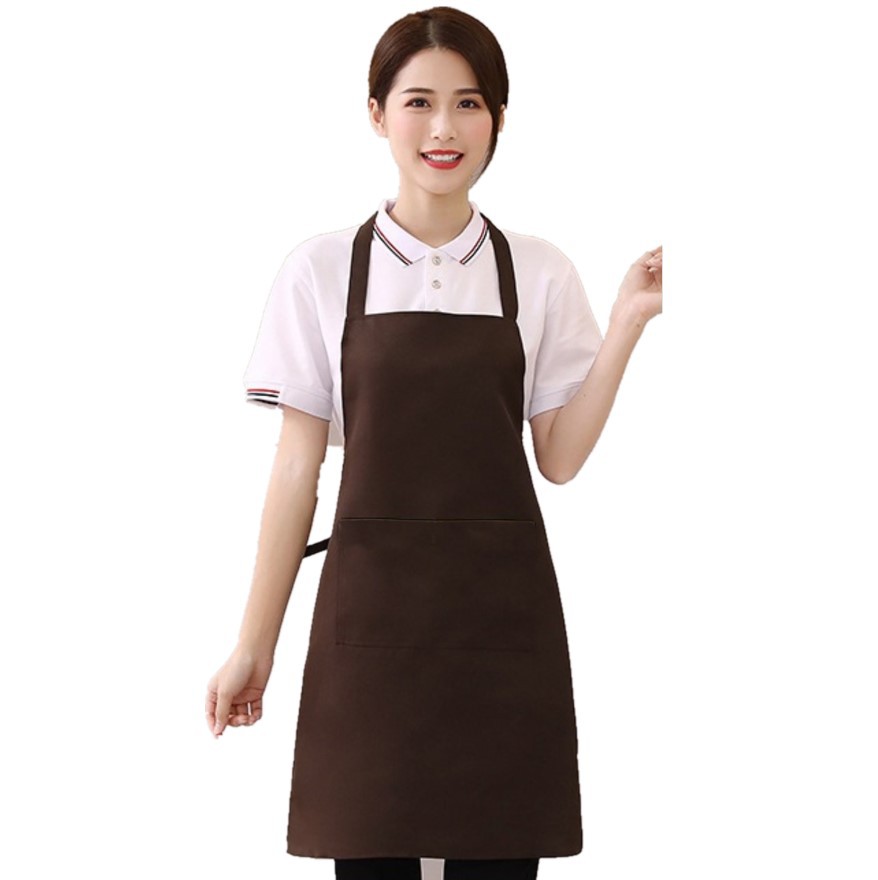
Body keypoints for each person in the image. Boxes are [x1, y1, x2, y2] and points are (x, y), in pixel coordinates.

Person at [205, 6, 662, 879]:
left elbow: (559, 457)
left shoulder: (539, 270)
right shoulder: (321, 270)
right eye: (419, 102)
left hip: (502, 628)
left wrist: (629, 321)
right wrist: (254, 646)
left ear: (499, 118)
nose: (445, 128)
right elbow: (296, 473)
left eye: (469, 103)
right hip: (369, 628)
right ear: (377, 114)